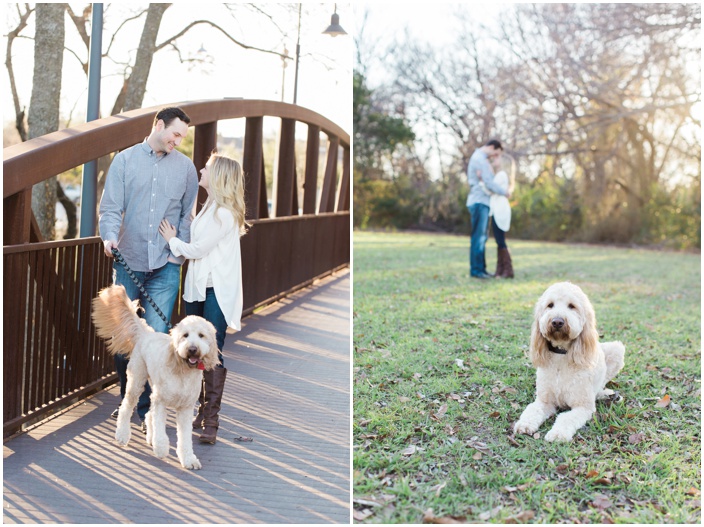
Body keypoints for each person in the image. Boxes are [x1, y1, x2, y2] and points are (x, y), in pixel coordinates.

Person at [99, 106, 199, 431]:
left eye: (183, 137)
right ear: (159, 125)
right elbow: (111, 208)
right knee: (126, 341)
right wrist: (109, 238)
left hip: (165, 266)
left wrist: (175, 257)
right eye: (175, 134)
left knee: (155, 340)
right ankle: (130, 402)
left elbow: (187, 216)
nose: (179, 141)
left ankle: (146, 414)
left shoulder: (185, 169)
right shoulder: (125, 161)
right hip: (128, 261)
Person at [158, 153, 247, 444]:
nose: (201, 169)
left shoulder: (223, 213)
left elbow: (197, 249)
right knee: (193, 349)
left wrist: (172, 239)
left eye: (206, 168)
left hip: (215, 290)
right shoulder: (210, 206)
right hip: (197, 286)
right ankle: (198, 409)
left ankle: (211, 420)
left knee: (212, 351)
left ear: (218, 175)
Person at [466, 139, 509, 278]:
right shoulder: (480, 158)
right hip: (479, 201)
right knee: (479, 237)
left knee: (482, 237)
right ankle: (477, 270)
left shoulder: (481, 158)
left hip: (482, 201)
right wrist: (504, 192)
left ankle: (481, 269)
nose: (494, 157)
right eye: (496, 153)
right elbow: (489, 183)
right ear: (492, 147)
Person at [481, 154, 515, 278]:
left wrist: (480, 182)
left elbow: (489, 189)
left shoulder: (501, 175)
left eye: (497, 158)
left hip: (499, 209)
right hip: (499, 208)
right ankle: (500, 270)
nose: (494, 159)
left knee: (500, 240)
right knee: (499, 240)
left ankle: (507, 270)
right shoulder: (502, 175)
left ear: (503, 162)